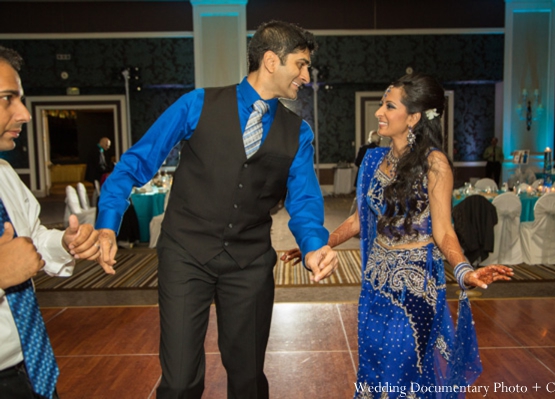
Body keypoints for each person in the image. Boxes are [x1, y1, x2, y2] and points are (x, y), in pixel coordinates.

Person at [95, 21, 338, 399]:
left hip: (250, 263)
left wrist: (313, 245)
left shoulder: (298, 132)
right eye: (301, 65)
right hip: (185, 254)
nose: (306, 76)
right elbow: (135, 163)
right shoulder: (196, 104)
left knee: (247, 378)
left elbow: (304, 199)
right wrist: (109, 223)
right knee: (178, 381)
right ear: (272, 61)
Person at [286, 73, 513, 398]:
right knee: (374, 370)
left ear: (415, 117)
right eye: (381, 103)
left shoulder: (435, 164)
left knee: (403, 372)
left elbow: (444, 230)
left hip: (413, 291)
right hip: (375, 287)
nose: (379, 112)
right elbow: (357, 220)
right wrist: (317, 245)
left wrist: (464, 270)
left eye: (389, 105)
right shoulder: (374, 161)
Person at [0, 46, 101, 399]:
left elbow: (32, 237)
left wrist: (64, 243)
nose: (24, 114)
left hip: (29, 361)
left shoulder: (5, 175)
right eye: (7, 99)